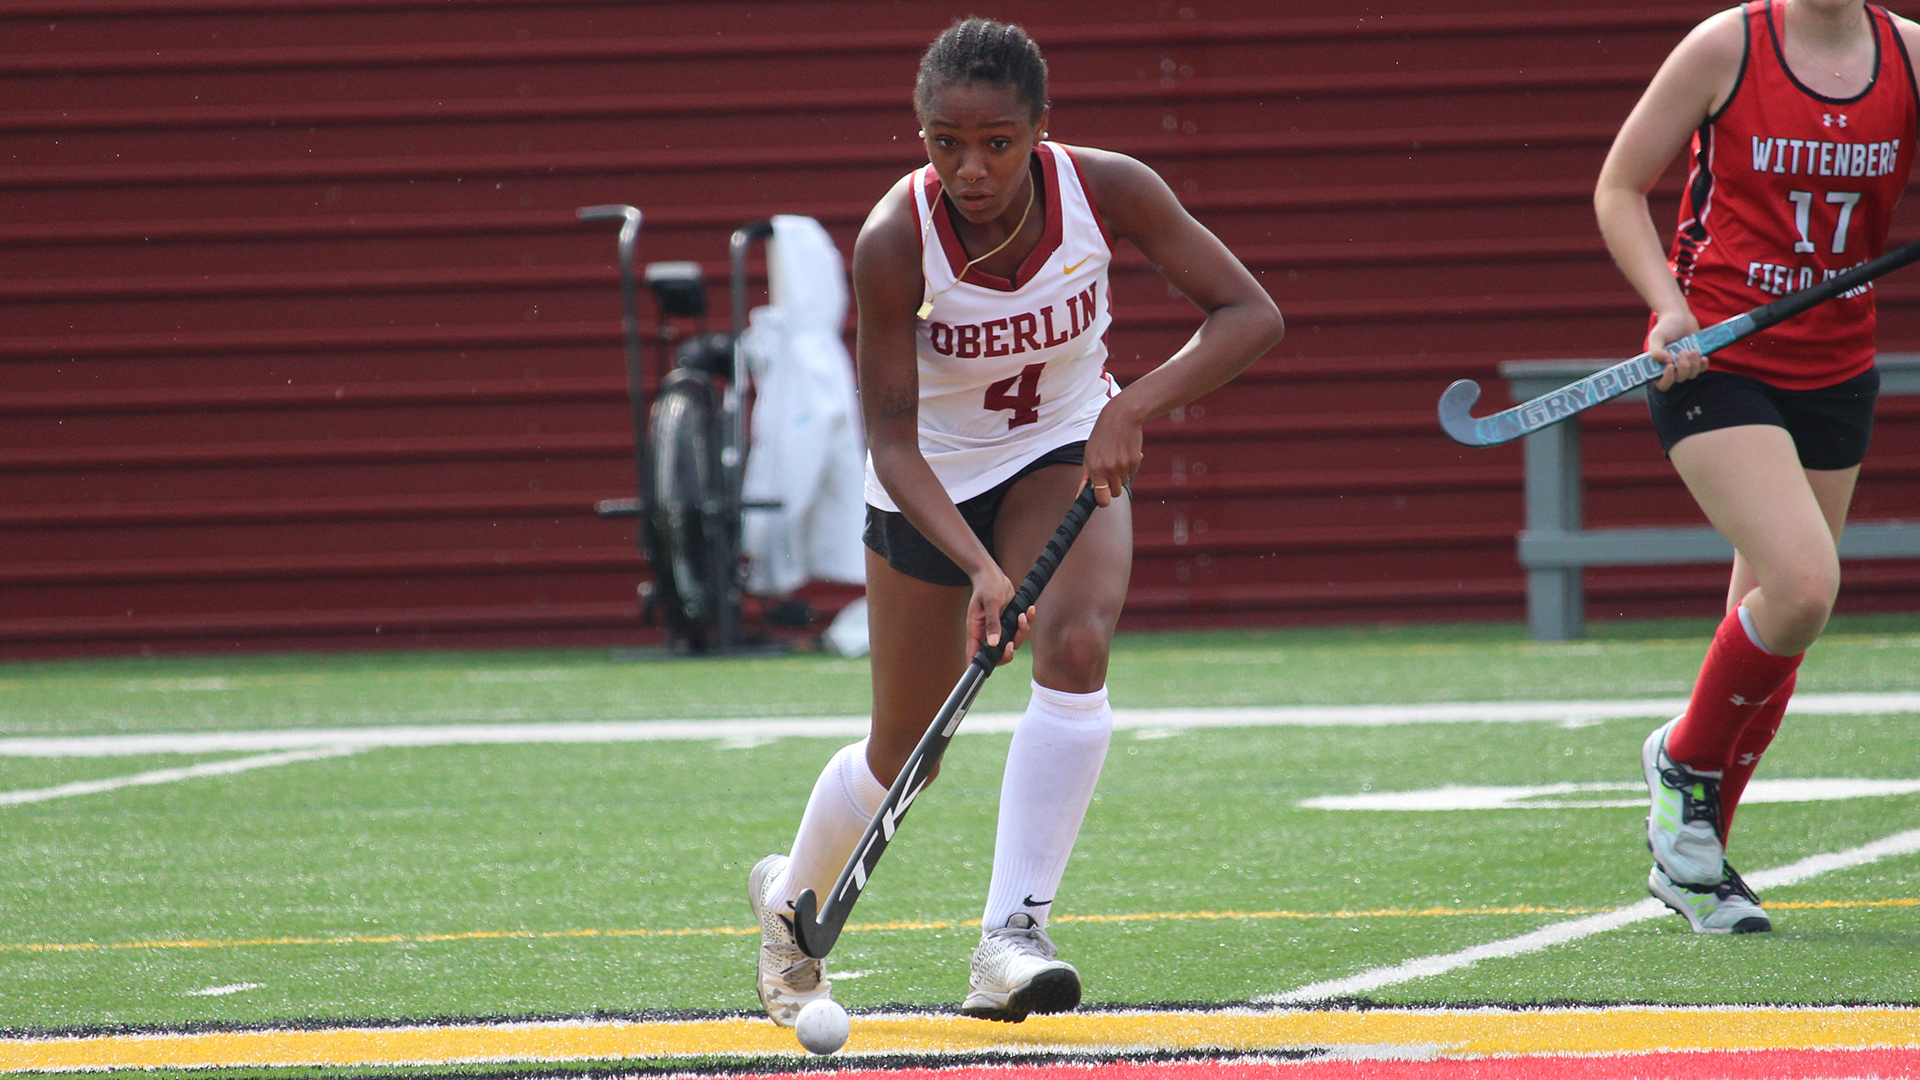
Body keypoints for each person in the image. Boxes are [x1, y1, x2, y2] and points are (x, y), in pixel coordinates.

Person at [747, 17, 1283, 1024]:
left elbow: (1250, 313)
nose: (972, 167)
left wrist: (1131, 406)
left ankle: (1012, 937)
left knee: (1077, 648)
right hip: (932, 484)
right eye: (947, 142)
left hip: (1061, 450)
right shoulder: (894, 240)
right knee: (909, 747)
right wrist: (978, 568)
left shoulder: (1108, 188)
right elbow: (895, 445)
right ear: (922, 139)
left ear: (1041, 130)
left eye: (997, 142)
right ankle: (788, 914)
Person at [1594, 0, 1918, 934]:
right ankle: (1683, 762)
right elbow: (1619, 187)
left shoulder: (1908, 58)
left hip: (1839, 369)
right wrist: (1667, 308)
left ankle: (1696, 869)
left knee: (1775, 629)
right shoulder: (1727, 46)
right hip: (1717, 357)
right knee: (1806, 586)